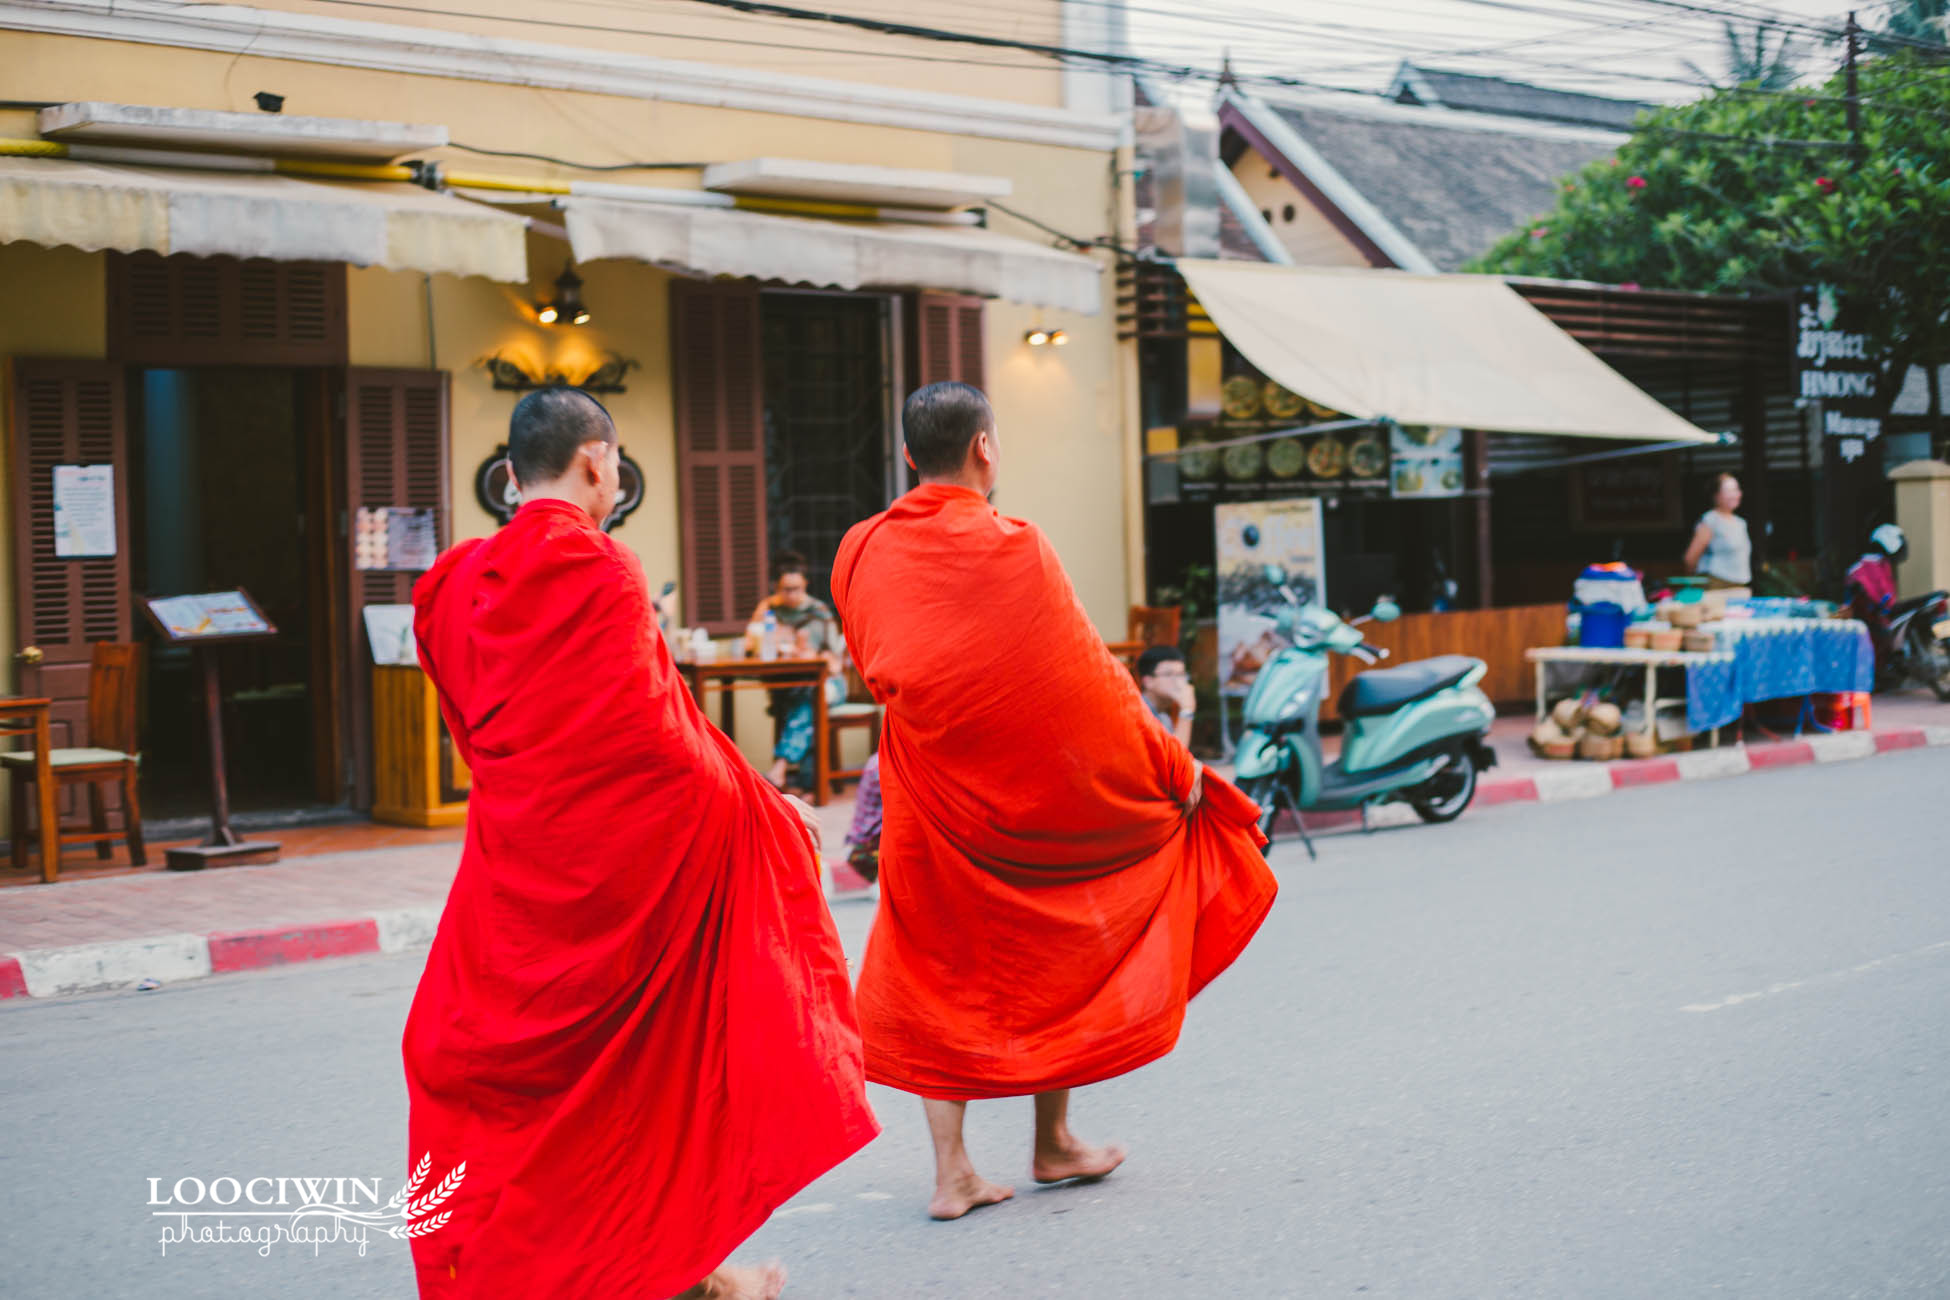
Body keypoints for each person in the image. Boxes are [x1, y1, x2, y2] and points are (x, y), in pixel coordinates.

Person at [403, 388, 878, 1300]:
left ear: (509, 476)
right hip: (614, 881)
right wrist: (768, 812)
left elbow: (480, 730)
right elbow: (662, 743)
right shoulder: (600, 566)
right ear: (595, 464)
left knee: (485, 1073)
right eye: (614, 463)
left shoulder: (449, 585)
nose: (614, 477)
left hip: (509, 882)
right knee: (652, 1069)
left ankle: (683, 1275)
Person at [831, 382, 1278, 1222]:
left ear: (905, 458)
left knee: (936, 966)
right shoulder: (1017, 546)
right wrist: (1171, 764)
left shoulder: (859, 550)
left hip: (930, 793)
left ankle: (955, 1170)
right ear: (986, 450)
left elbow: (882, 668)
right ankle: (1053, 1138)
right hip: (1028, 799)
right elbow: (1087, 686)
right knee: (1062, 941)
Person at [746, 553, 847, 791]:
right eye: (786, 589)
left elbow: (834, 659)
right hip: (793, 686)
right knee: (807, 701)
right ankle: (811, 787)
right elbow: (751, 645)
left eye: (796, 588)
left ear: (805, 585)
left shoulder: (818, 612)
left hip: (829, 685)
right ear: (777, 587)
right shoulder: (770, 609)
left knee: (808, 698)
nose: (791, 594)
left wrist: (813, 654)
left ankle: (780, 768)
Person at [1683, 472, 1752, 590]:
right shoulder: (1711, 520)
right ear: (1716, 495)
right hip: (1716, 583)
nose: (1734, 495)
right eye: (1728, 491)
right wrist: (1693, 583)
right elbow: (1690, 558)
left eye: (1736, 490)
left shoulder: (1741, 523)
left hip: (1739, 584)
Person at [1136, 644, 1196, 747]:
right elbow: (1174, 760)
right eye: (1169, 674)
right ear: (1148, 681)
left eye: (1181, 674)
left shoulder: (1164, 718)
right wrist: (1187, 711)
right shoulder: (1139, 714)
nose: (1178, 682)